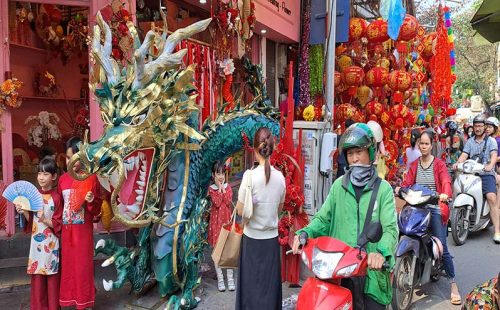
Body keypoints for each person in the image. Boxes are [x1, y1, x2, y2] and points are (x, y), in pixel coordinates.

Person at [292, 123, 398, 309]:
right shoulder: (338, 186)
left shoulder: (383, 190)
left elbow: (389, 229)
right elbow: (323, 219)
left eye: (359, 152)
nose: (355, 158)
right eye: (350, 154)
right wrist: (305, 233)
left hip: (370, 275)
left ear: (371, 152)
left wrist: (381, 254)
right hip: (338, 272)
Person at [399, 130, 462, 305]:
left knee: (443, 248)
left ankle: (452, 284)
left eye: (426, 143)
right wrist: (400, 188)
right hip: (416, 206)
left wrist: (444, 194)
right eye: (421, 143)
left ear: (431, 145)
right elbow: (407, 183)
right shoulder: (414, 165)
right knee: (401, 231)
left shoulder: (439, 164)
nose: (423, 146)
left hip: (434, 207)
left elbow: (446, 182)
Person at [235, 127, 286, 310]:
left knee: (250, 289)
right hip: (271, 242)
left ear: (255, 150)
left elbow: (240, 211)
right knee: (268, 289)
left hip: (251, 240)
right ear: (271, 149)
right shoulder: (280, 178)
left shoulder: (249, 176)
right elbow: (279, 208)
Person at [53, 137, 102, 309]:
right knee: (68, 268)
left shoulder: (91, 178)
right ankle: (70, 299)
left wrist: (90, 200)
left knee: (83, 267)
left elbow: (96, 211)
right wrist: (56, 228)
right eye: (67, 158)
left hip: (82, 233)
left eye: (75, 158)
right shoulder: (62, 180)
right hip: (67, 233)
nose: (71, 162)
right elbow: (59, 207)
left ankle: (85, 302)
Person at [16, 157, 61, 310]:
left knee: (52, 276)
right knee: (37, 275)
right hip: (36, 242)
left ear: (54, 176)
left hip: (51, 242)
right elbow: (32, 222)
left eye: (46, 174)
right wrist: (23, 212)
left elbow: (58, 224)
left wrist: (45, 219)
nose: (41, 177)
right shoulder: (34, 196)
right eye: (39, 173)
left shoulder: (56, 198)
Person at [453, 114, 500, 244]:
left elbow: (494, 155)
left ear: (484, 127)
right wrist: (458, 163)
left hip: (486, 174)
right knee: (458, 189)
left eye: (480, 126)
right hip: (471, 173)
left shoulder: (490, 141)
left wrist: (490, 165)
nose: (478, 128)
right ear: (473, 127)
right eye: (476, 126)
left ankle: (497, 231)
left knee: (491, 197)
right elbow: (464, 154)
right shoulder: (470, 141)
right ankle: (454, 219)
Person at [207, 160, 235, 292]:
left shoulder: (228, 187)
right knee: (217, 252)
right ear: (213, 175)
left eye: (222, 173)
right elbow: (217, 203)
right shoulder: (211, 190)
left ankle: (230, 280)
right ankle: (220, 280)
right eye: (218, 173)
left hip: (227, 223)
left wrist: (223, 188)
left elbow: (228, 201)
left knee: (228, 250)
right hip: (216, 224)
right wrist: (219, 189)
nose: (221, 176)